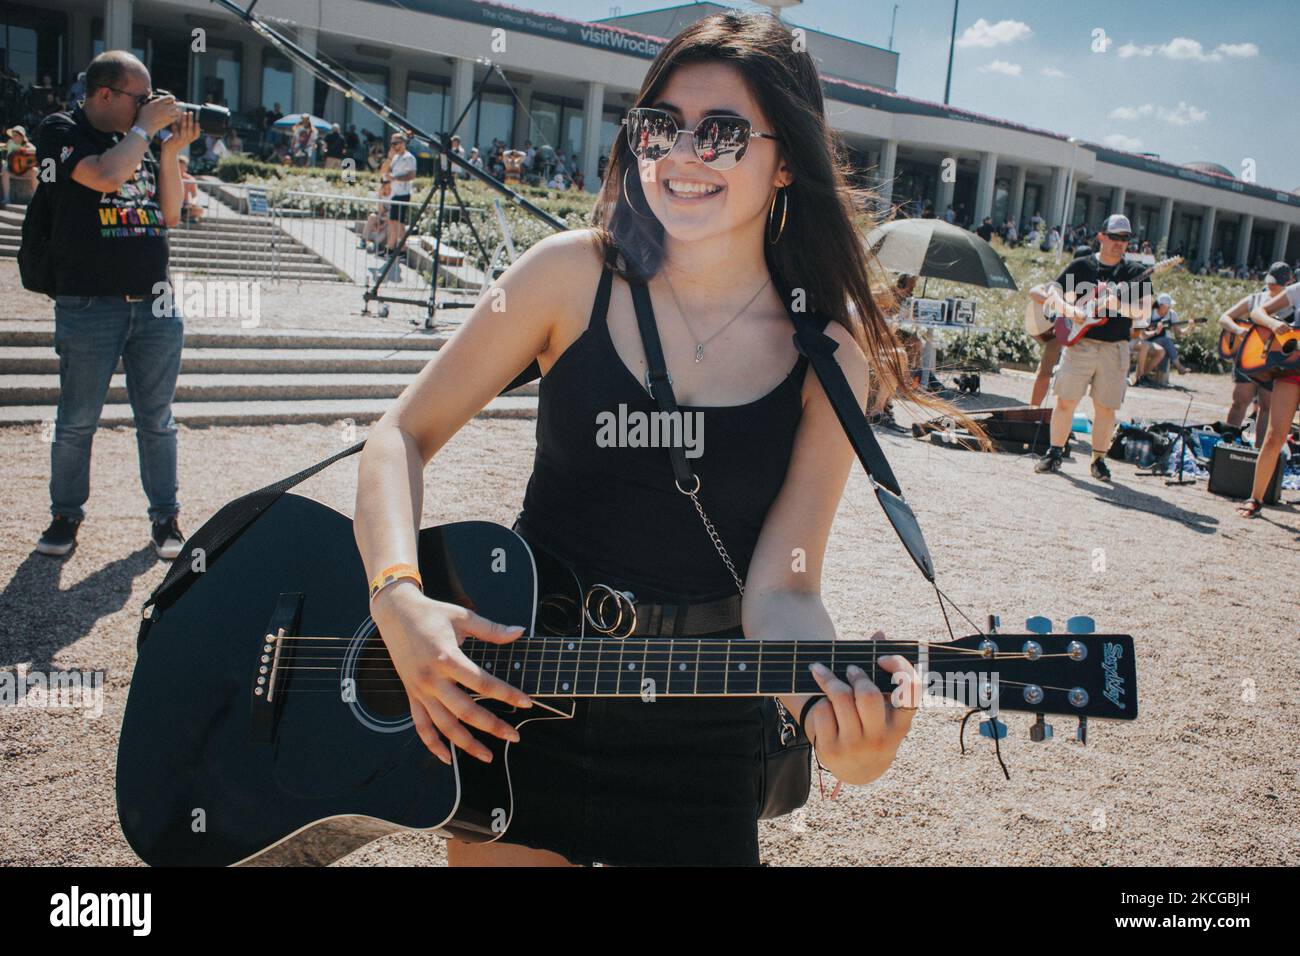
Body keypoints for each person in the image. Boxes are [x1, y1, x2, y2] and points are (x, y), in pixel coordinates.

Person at [351, 11, 929, 868]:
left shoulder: (831, 349)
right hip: (519, 694)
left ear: (786, 165)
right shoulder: (566, 274)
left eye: (724, 132)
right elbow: (402, 433)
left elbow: (785, 589)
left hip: (703, 730)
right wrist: (396, 597)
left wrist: (837, 729)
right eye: (661, 126)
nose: (684, 152)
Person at [33, 50, 194, 559]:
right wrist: (145, 132)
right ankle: (65, 516)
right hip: (90, 303)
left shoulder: (142, 142)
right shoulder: (61, 130)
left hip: (155, 303)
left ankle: (166, 519)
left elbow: (169, 215)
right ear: (105, 94)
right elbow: (103, 177)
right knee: (78, 419)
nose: (151, 106)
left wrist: (169, 152)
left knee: (158, 418)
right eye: (141, 98)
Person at [1034, 214, 1153, 480]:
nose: (1119, 243)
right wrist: (1069, 309)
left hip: (1115, 347)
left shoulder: (1134, 273)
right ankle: (1054, 452)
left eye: (1125, 239)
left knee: (1106, 407)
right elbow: (1051, 291)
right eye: (1115, 237)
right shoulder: (1081, 266)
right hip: (1080, 343)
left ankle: (1098, 459)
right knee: (1065, 400)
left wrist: (1117, 305)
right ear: (1101, 236)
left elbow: (1144, 314)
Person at [1236, 278, 1300, 517]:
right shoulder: (1297, 290)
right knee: (1274, 436)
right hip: (1292, 368)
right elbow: (1257, 312)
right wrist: (1274, 325)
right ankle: (1255, 498)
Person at [1219, 262, 1294, 448]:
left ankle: (1257, 453)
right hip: (1248, 355)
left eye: (1276, 283)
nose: (1272, 286)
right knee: (1239, 401)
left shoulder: (1292, 306)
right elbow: (1224, 317)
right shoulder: (1256, 298)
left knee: (1266, 407)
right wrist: (1238, 330)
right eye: (1271, 281)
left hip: (1273, 361)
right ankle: (1226, 446)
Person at [1132, 293, 1186, 384]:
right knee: (1166, 341)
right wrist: (1156, 331)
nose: (1169, 308)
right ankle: (1178, 366)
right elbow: (1142, 335)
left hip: (1156, 341)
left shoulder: (1171, 314)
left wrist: (1190, 328)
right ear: (1160, 305)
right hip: (1145, 339)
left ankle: (1143, 376)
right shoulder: (1148, 313)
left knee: (1162, 351)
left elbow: (1178, 333)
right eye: (1167, 306)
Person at [384, 131, 417, 252]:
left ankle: (398, 248)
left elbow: (412, 175)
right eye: (391, 143)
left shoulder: (409, 158)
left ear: (403, 143)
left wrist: (395, 178)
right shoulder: (396, 157)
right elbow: (386, 171)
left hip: (403, 193)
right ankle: (394, 247)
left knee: (399, 222)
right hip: (395, 192)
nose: (392, 146)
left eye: (395, 143)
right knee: (394, 221)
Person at [1, 125, 38, 206]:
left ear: (22, 136)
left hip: (23, 172)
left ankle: (35, 198)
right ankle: (6, 198)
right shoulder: (10, 142)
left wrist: (24, 150)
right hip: (11, 171)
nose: (14, 137)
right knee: (4, 169)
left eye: (16, 135)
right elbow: (3, 147)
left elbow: (36, 150)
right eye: (13, 135)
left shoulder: (26, 145)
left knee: (35, 171)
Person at [177, 154, 204, 222]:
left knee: (199, 210)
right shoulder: (171, 178)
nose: (181, 168)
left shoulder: (190, 179)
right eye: (179, 166)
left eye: (182, 166)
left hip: (185, 204)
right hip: (173, 203)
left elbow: (195, 196)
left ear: (186, 167)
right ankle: (183, 217)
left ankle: (183, 217)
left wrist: (193, 203)